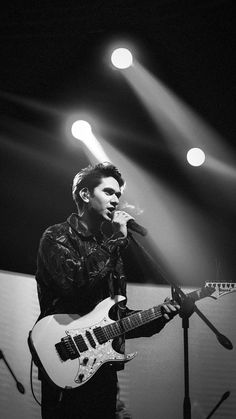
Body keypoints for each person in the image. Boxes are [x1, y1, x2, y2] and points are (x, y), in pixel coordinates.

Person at [35, 162, 179, 419]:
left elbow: (115, 317)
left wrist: (159, 315)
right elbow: (73, 287)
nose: (116, 200)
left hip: (101, 368)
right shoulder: (57, 236)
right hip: (65, 361)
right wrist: (116, 243)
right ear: (85, 194)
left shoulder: (111, 249)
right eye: (109, 192)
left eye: (118, 195)